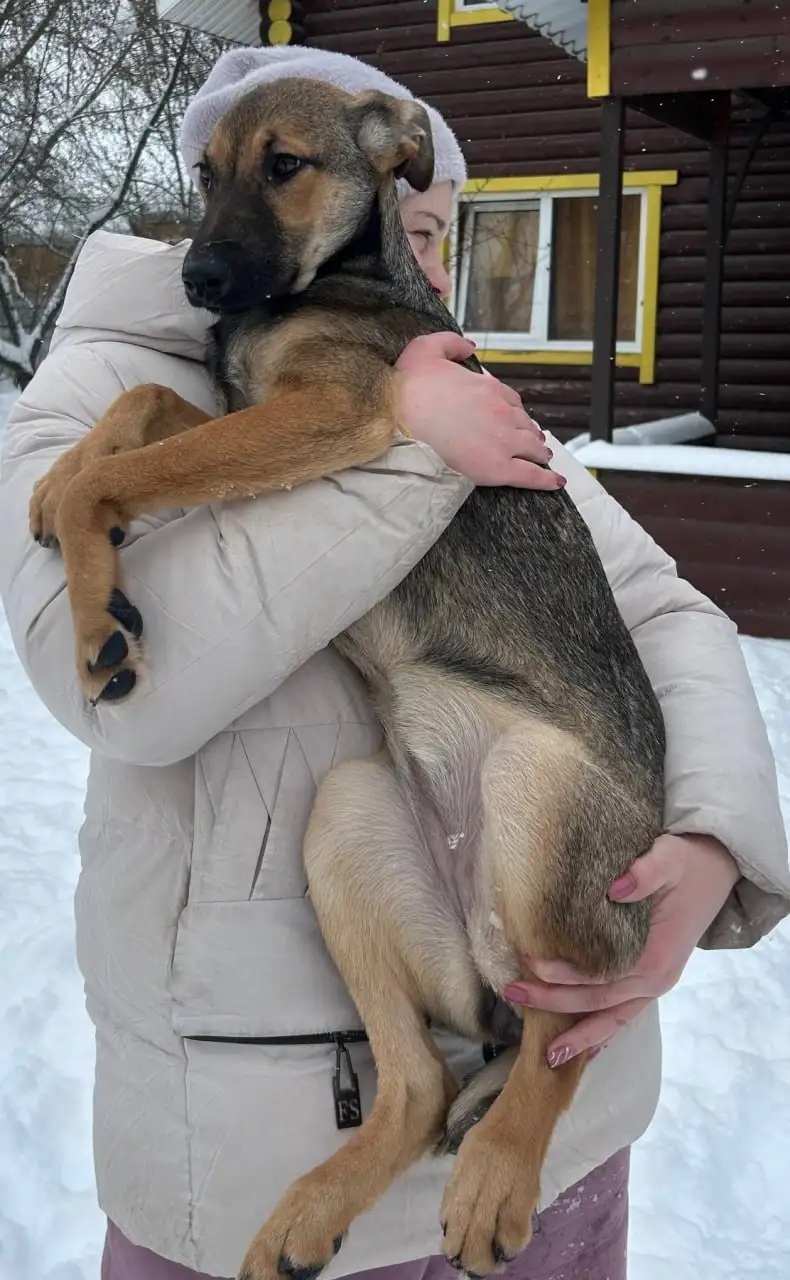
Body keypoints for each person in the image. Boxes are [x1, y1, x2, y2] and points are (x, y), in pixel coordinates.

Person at [1, 44, 788, 1280]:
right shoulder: (105, 380)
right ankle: (407, 1092)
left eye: (434, 233)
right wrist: (399, 438)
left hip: (560, 1048)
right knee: (346, 807)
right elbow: (128, 698)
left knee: (530, 768)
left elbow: (666, 606)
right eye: (229, 178)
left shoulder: (437, 372)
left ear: (389, 160)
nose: (419, 268)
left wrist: (714, 839)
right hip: (239, 1117)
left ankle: (526, 1101)